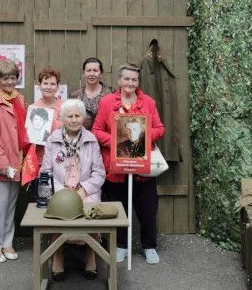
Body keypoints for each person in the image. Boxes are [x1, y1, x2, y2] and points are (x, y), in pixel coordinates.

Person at [92, 63, 165, 265]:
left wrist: (142, 137)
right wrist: (116, 141)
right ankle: (121, 245)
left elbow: (160, 128)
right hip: (116, 167)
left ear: (138, 82)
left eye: (134, 79)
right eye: (127, 79)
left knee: (147, 208)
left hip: (142, 166)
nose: (130, 83)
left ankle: (149, 246)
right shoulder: (107, 102)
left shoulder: (148, 102)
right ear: (119, 80)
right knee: (119, 208)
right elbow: (97, 130)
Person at [40, 99, 105, 281]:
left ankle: (90, 256)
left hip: (86, 191)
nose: (74, 119)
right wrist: (62, 193)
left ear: (83, 118)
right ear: (62, 118)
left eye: (78, 116)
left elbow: (99, 173)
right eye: (70, 116)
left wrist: (83, 191)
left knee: (90, 215)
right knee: (60, 213)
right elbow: (45, 171)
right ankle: (58, 255)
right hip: (60, 191)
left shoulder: (92, 140)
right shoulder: (53, 139)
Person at [0, 60, 29, 263]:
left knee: (11, 205)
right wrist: (2, 165)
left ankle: (7, 242)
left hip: (17, 160)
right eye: (5, 78)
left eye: (13, 77)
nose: (10, 81)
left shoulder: (19, 99)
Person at [26, 69, 63, 200]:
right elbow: (27, 139)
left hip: (60, 162)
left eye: (52, 84)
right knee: (41, 200)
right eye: (45, 83)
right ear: (39, 85)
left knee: (59, 201)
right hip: (40, 163)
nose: (48, 87)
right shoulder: (33, 108)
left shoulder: (65, 107)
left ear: (58, 87)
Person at [70, 57, 112, 130]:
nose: (91, 74)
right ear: (83, 74)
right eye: (88, 70)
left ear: (101, 74)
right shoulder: (75, 96)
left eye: (95, 70)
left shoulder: (110, 95)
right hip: (81, 138)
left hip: (103, 138)